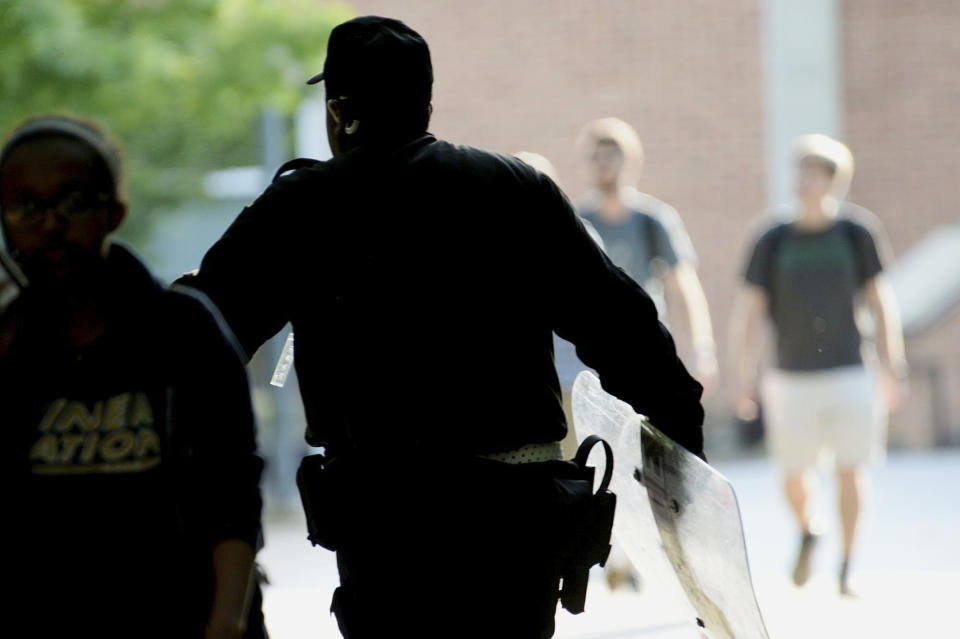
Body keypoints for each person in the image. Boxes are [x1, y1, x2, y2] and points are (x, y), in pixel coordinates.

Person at [180, 16, 704, 638]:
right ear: (426, 103)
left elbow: (195, 337)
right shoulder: (516, 189)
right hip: (516, 529)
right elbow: (626, 331)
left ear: (339, 112)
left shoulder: (302, 207)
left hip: (384, 530)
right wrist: (685, 463)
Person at [0, 115, 266, 638]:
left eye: (72, 200)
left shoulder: (183, 327)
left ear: (113, 211)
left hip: (178, 614)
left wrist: (226, 624)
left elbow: (232, 493)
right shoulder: (11, 341)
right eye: (26, 206)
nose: (50, 223)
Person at [729, 133, 908, 596]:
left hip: (851, 372)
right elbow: (748, 311)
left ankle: (848, 565)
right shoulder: (772, 237)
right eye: (799, 171)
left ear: (834, 180)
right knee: (792, 474)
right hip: (789, 377)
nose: (802, 180)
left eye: (812, 172)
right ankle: (810, 529)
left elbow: (880, 300)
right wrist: (744, 375)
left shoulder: (856, 232)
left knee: (852, 468)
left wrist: (893, 365)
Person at [577, 117, 718, 394]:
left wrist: (702, 350)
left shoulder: (653, 220)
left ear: (631, 161)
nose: (604, 163)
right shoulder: (577, 222)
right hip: (594, 364)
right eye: (596, 157)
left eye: (612, 155)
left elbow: (684, 286)